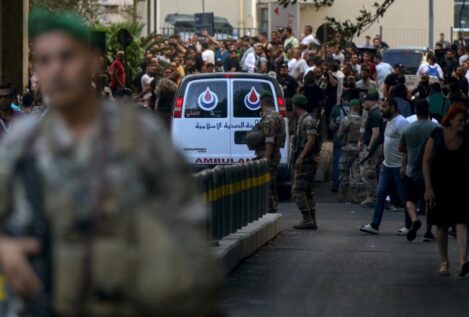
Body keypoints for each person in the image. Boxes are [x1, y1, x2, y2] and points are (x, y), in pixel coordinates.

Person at [0, 8, 221, 316]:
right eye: (46, 61)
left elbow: (189, 222)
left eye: (68, 57)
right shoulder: (22, 140)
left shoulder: (140, 135)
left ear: (93, 62)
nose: (57, 70)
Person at [423, 105, 469, 276]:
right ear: (450, 120)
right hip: (439, 187)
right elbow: (426, 161)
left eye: (465, 120)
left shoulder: (467, 135)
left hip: (462, 186)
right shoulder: (437, 134)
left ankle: (463, 261)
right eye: (460, 121)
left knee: (462, 222)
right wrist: (428, 187)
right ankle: (444, 262)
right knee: (441, 225)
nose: (463, 124)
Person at [360, 98, 411, 235]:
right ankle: (375, 224)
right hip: (387, 166)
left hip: (398, 166)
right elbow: (382, 139)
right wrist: (370, 153)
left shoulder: (401, 122)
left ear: (393, 108)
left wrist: (404, 165)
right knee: (381, 194)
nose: (381, 109)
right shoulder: (388, 122)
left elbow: (407, 146)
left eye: (384, 107)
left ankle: (409, 225)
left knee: (404, 197)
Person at [399, 99, 439, 242]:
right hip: (430, 171)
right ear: (428, 110)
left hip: (411, 169)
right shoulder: (435, 128)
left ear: (415, 111)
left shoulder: (408, 128)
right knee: (429, 201)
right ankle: (428, 232)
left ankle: (414, 219)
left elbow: (401, 149)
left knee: (409, 199)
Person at [291, 94, 319, 230]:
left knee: (298, 190)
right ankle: (311, 219)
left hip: (307, 161)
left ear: (295, 106)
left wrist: (301, 157)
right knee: (308, 191)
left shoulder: (308, 120)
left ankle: (307, 218)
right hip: (307, 160)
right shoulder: (302, 120)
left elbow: (311, 140)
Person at [254, 91, 286, 213]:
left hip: (269, 155)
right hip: (275, 154)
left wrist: (265, 158)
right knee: (272, 183)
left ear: (262, 102)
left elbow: (269, 140)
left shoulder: (269, 119)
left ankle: (270, 209)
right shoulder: (278, 115)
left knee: (268, 184)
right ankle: (272, 207)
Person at [358, 89, 382, 207]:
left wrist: (369, 149)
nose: (364, 104)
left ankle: (372, 197)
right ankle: (371, 196)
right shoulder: (373, 113)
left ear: (371, 101)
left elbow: (375, 133)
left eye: (366, 101)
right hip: (372, 147)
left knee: (369, 172)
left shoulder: (375, 114)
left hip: (373, 148)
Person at [337, 99, 362, 203]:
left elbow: (340, 134)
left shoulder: (346, 119)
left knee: (344, 172)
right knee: (356, 173)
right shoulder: (361, 120)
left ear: (351, 107)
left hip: (346, 149)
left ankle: (343, 195)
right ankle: (355, 196)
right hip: (357, 149)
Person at [278, 63, 300, 135]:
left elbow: (297, 88)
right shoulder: (277, 79)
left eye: (284, 69)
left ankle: (291, 131)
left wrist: (295, 99)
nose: (283, 70)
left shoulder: (292, 79)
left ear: (287, 69)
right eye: (282, 69)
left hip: (290, 100)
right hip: (280, 100)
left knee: (290, 117)